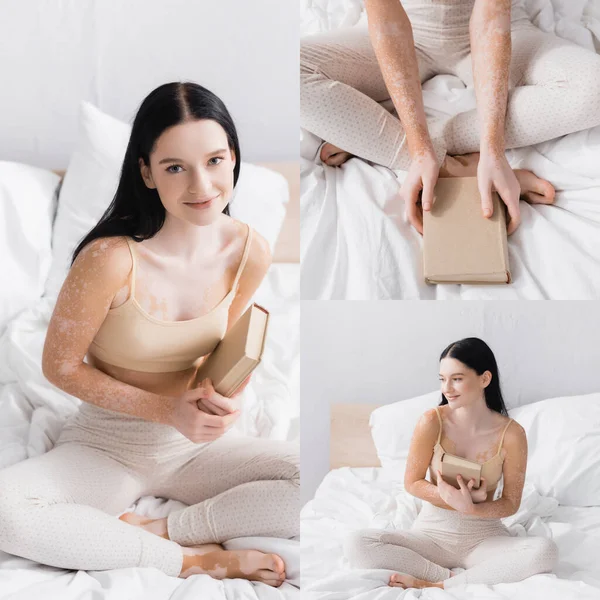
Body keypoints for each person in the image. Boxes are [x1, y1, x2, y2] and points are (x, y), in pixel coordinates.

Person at [0, 82, 299, 587]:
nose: (201, 186)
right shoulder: (109, 259)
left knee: (315, 476)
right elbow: (59, 366)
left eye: (215, 160)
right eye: (175, 167)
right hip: (107, 442)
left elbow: (221, 348)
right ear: (147, 172)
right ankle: (190, 560)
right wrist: (166, 411)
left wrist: (225, 392)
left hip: (196, 448)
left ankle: (162, 529)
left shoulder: (251, 250)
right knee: (7, 511)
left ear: (233, 159)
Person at [301, 0, 600, 233]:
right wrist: (419, 152)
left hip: (500, 26)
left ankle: (380, 132)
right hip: (402, 29)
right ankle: (451, 165)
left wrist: (492, 150)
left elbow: (491, 17)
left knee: (594, 88)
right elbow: (388, 21)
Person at [344, 337, 558, 589]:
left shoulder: (512, 434)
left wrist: (472, 508)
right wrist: (446, 495)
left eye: (456, 378)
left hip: (484, 538)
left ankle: (441, 585)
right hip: (431, 535)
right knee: (357, 543)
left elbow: (510, 503)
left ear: (484, 379)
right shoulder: (431, 421)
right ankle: (446, 579)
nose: (447, 388)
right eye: (442, 379)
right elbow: (412, 482)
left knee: (546, 551)